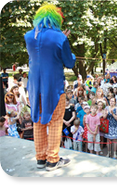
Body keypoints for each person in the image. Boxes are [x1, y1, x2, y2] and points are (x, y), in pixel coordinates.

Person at [24, 3, 76, 170]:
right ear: (56, 18)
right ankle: (52, 160)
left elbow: (39, 53)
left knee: (38, 120)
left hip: (34, 87)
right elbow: (69, 62)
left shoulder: (28, 36)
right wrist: (64, 41)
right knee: (55, 122)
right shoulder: (60, 37)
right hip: (53, 87)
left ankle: (40, 158)